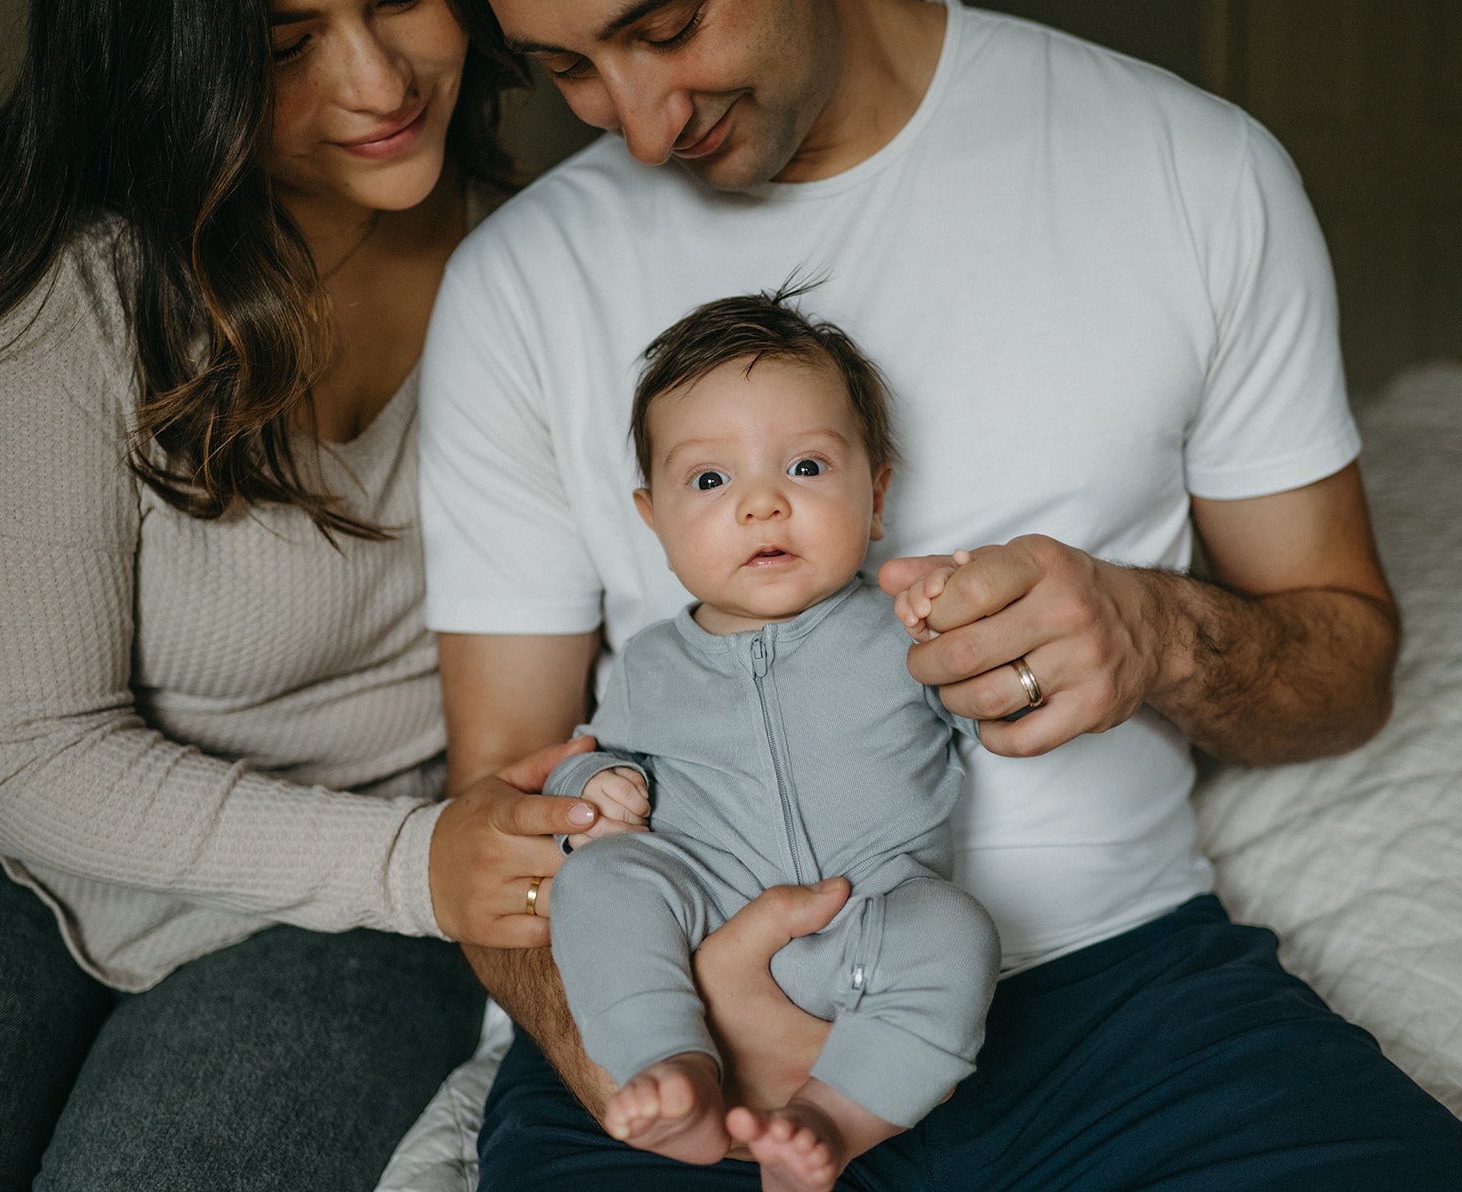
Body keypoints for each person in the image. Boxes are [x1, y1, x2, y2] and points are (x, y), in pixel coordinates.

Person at [418, 0, 1462, 1187]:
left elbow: (1346, 674)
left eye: (665, 26)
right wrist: (646, 1056)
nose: (644, 132)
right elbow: (496, 799)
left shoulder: (1189, 169)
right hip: (671, 1022)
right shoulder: (517, 278)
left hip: (1114, 1004)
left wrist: (1162, 632)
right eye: (568, 69)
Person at [0, 0, 598, 1187]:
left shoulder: (551, 267)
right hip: (5, 844)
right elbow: (23, 756)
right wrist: (419, 863)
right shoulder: (49, 287)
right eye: (283, 44)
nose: (378, 80)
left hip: (365, 870)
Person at [544, 289, 998, 1190]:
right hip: (702, 906)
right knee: (599, 882)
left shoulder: (901, 631)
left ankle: (830, 1117)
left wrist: (972, 621)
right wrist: (593, 783)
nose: (761, 507)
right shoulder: (649, 663)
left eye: (805, 469)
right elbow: (599, 750)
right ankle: (673, 1064)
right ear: (654, 519)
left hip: (869, 919)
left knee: (954, 930)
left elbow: (999, 709)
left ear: (876, 496)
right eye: (710, 480)